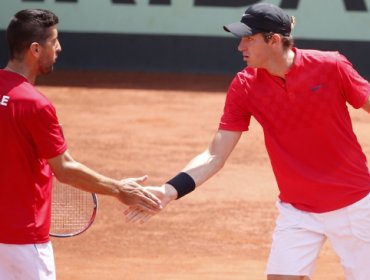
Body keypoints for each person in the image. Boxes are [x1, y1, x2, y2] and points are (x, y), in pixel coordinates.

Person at [125, 3, 370, 280]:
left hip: (354, 206)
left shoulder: (331, 66)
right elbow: (215, 154)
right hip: (297, 210)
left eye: (248, 38)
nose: (240, 46)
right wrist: (169, 191)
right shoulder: (245, 86)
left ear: (274, 40)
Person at [0, 9, 162, 280]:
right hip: (23, 244)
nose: (60, 48)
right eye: (54, 41)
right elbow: (64, 169)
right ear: (36, 49)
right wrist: (119, 189)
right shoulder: (35, 105)